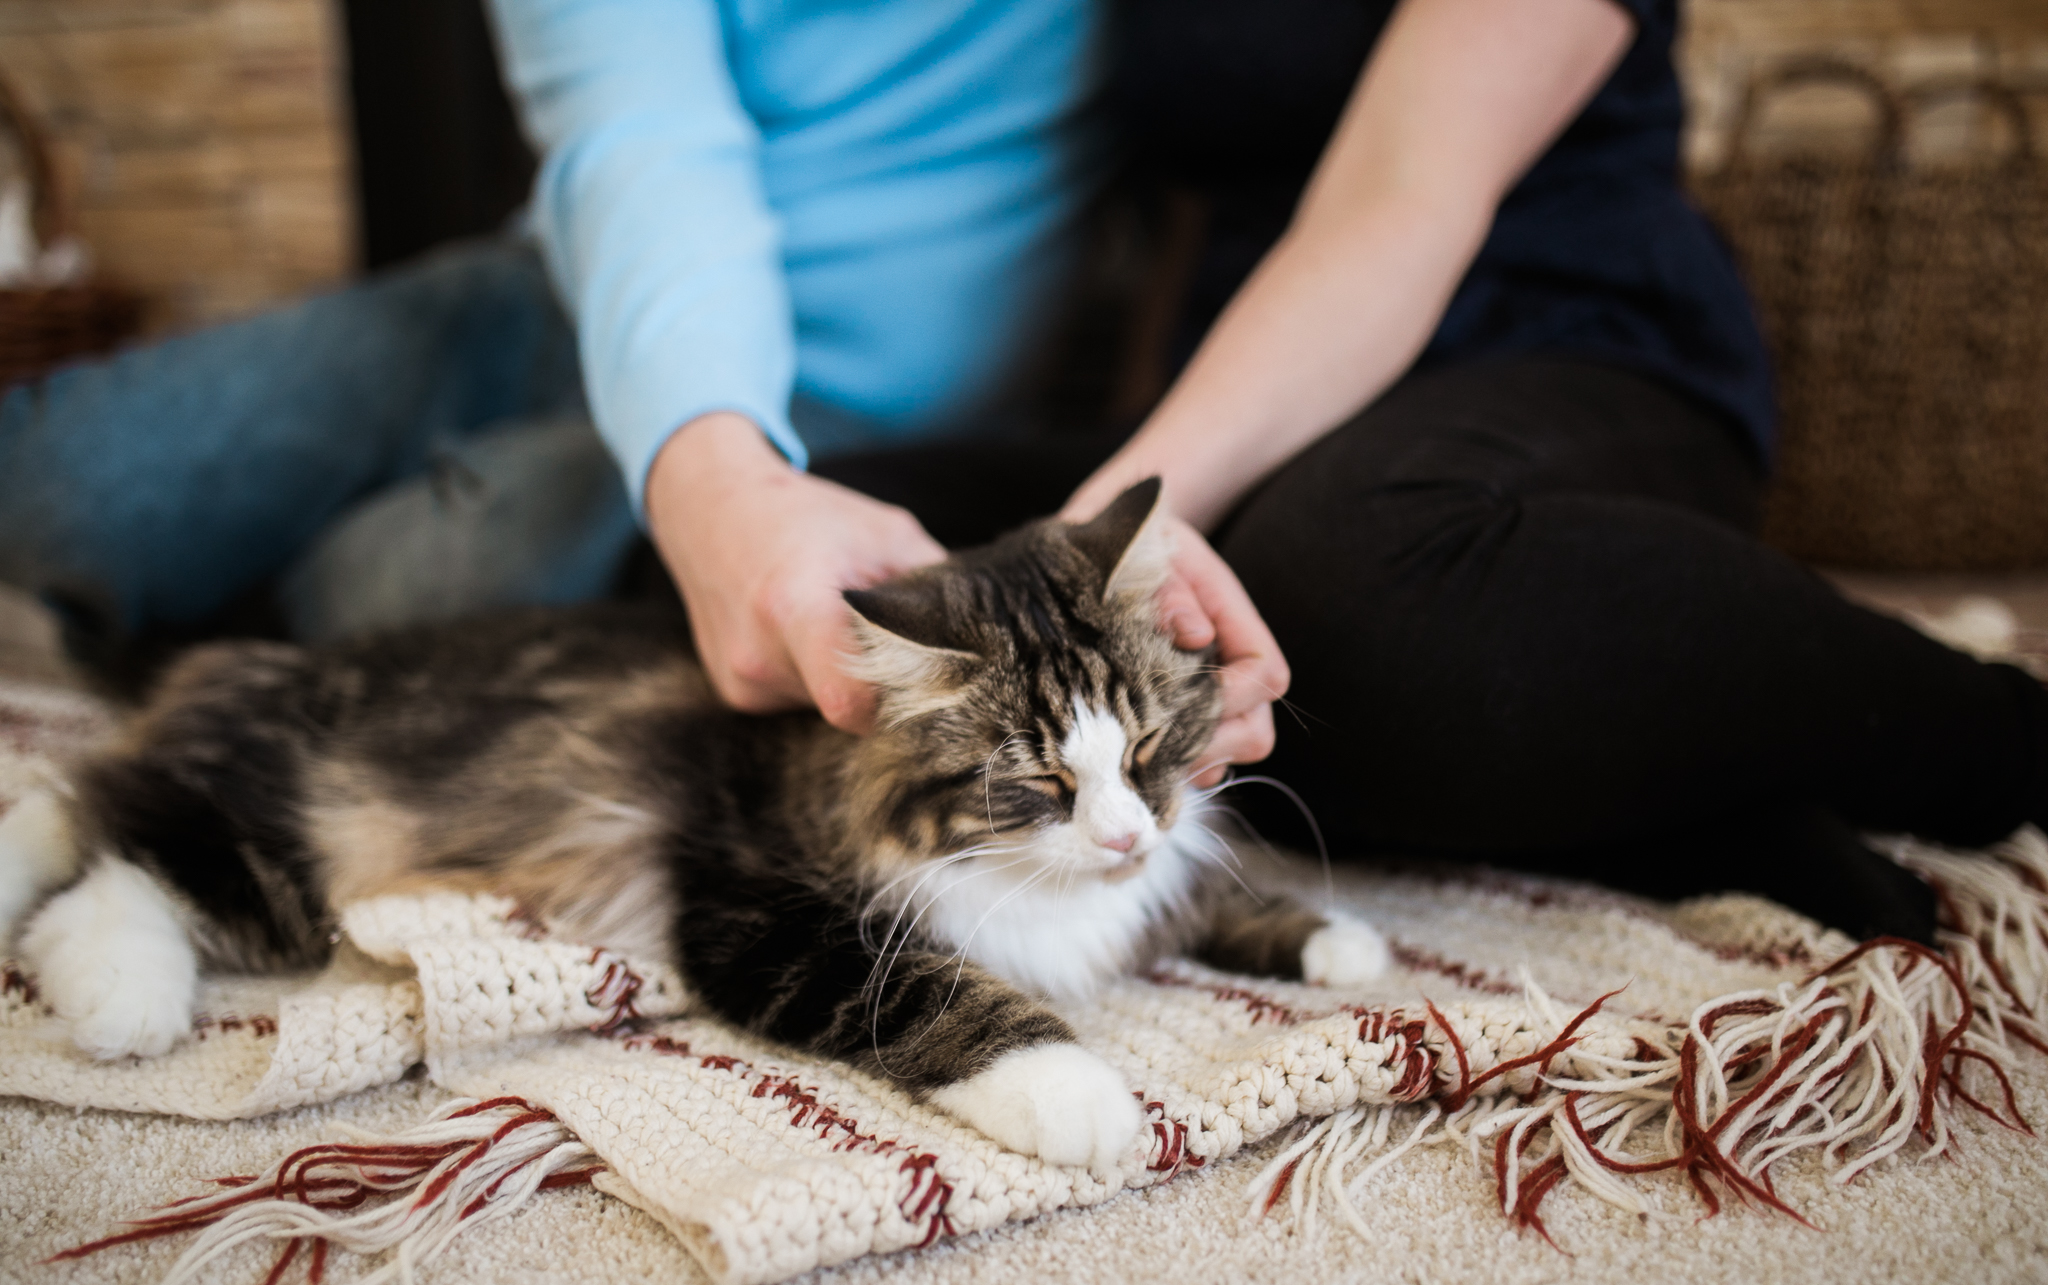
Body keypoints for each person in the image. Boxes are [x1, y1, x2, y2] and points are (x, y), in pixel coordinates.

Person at [1, 0, 2039, 941]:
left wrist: (1114, 523)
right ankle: (1653, 759)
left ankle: (1981, 730)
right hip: (1261, 382)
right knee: (844, 579)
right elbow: (658, 144)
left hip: (1541, 331)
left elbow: (1393, 209)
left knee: (1354, 592)